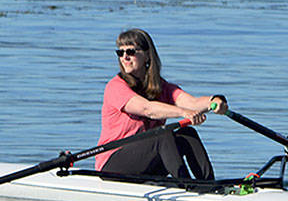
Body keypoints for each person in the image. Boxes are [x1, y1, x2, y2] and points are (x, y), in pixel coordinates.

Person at [96, 28, 228, 182]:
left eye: (131, 52)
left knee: (188, 134)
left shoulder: (161, 87)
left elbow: (192, 103)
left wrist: (215, 101)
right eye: (120, 53)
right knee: (162, 135)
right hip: (113, 163)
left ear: (146, 55)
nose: (125, 57)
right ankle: (186, 185)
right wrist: (183, 113)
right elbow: (148, 109)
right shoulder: (116, 87)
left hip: (145, 160)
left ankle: (208, 184)